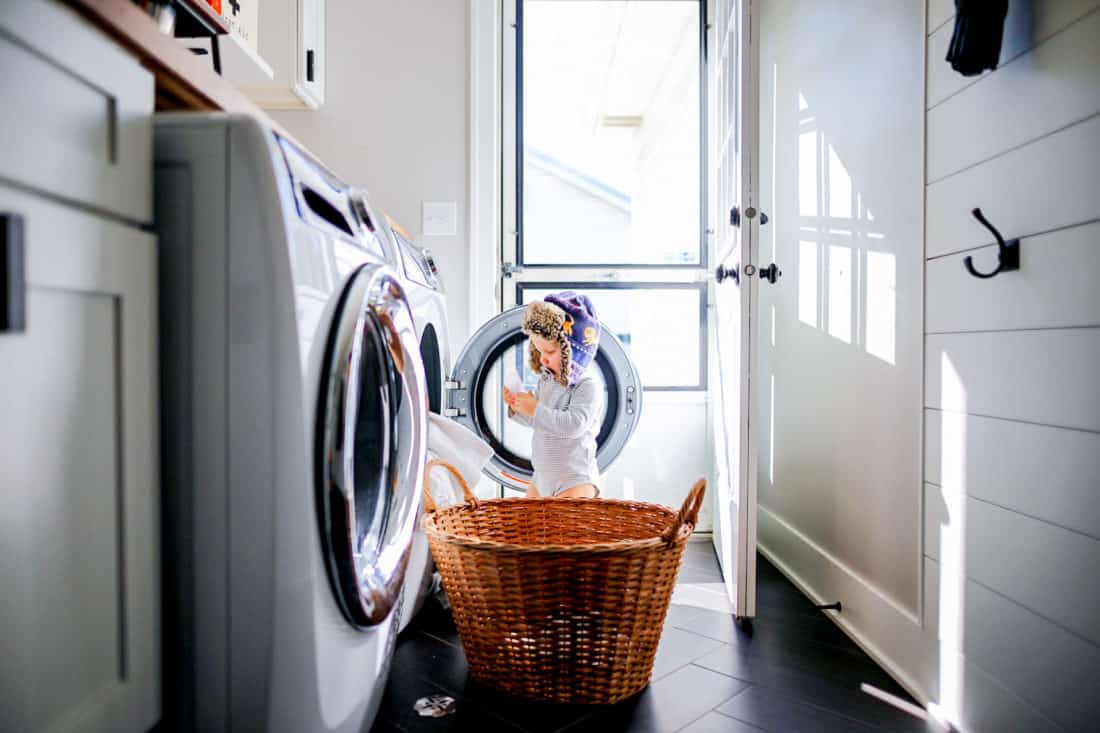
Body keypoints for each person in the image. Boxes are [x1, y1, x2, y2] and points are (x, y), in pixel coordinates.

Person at [503, 292, 603, 499]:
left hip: (574, 479)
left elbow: (573, 425)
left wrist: (534, 408)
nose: (543, 361)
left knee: (566, 531)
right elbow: (541, 421)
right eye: (539, 352)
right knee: (527, 528)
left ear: (573, 353)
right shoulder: (547, 381)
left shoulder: (587, 385)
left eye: (549, 352)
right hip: (541, 479)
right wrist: (518, 407)